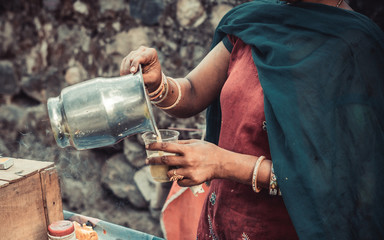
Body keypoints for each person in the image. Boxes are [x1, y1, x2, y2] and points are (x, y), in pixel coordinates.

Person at [120, 0, 384, 239]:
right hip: (219, 225)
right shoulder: (255, 21)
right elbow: (193, 90)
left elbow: (343, 180)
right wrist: (158, 83)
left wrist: (223, 163)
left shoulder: (354, 47)